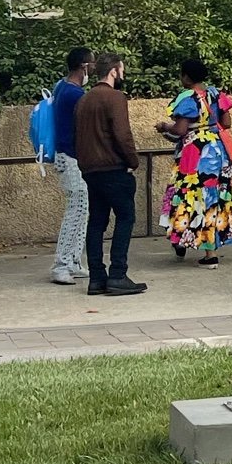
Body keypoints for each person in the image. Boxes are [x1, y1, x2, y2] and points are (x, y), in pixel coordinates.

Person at [75, 51, 147, 297]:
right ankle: (118, 274)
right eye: (122, 70)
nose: (123, 74)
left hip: (90, 170)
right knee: (125, 218)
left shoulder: (84, 100)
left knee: (96, 222)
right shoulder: (115, 98)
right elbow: (122, 134)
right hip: (113, 168)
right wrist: (133, 161)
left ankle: (96, 277)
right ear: (114, 71)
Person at [159, 56, 232, 264]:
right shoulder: (216, 94)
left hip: (194, 153)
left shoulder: (187, 99)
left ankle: (180, 240)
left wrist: (164, 127)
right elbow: (227, 122)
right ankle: (210, 253)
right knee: (215, 197)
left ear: (186, 77)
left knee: (188, 195)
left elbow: (180, 129)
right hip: (218, 151)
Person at [48, 46, 91, 287]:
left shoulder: (60, 86)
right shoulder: (75, 95)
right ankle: (62, 264)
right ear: (83, 67)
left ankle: (73, 261)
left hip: (66, 156)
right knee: (76, 210)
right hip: (72, 157)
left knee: (81, 208)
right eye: (91, 66)